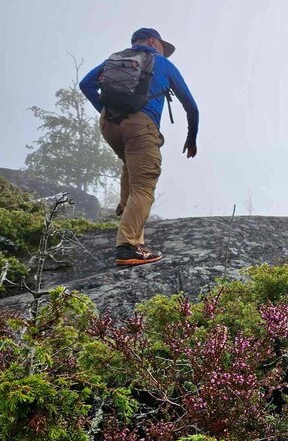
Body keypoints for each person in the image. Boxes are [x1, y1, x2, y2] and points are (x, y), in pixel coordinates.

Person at [80, 28, 199, 266]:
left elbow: (86, 84)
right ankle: (128, 248)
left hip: (109, 124)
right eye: (163, 46)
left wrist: (108, 113)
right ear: (154, 42)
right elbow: (191, 106)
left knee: (130, 165)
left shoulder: (114, 60)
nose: (164, 51)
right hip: (141, 126)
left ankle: (126, 207)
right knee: (144, 185)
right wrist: (191, 137)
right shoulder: (162, 63)